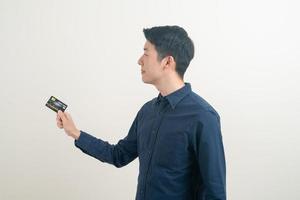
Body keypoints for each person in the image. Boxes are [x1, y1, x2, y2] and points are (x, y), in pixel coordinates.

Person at [56, 25, 226, 200]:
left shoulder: (203, 117)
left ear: (167, 62)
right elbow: (119, 155)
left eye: (146, 53)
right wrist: (75, 133)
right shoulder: (147, 111)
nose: (139, 61)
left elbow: (215, 191)